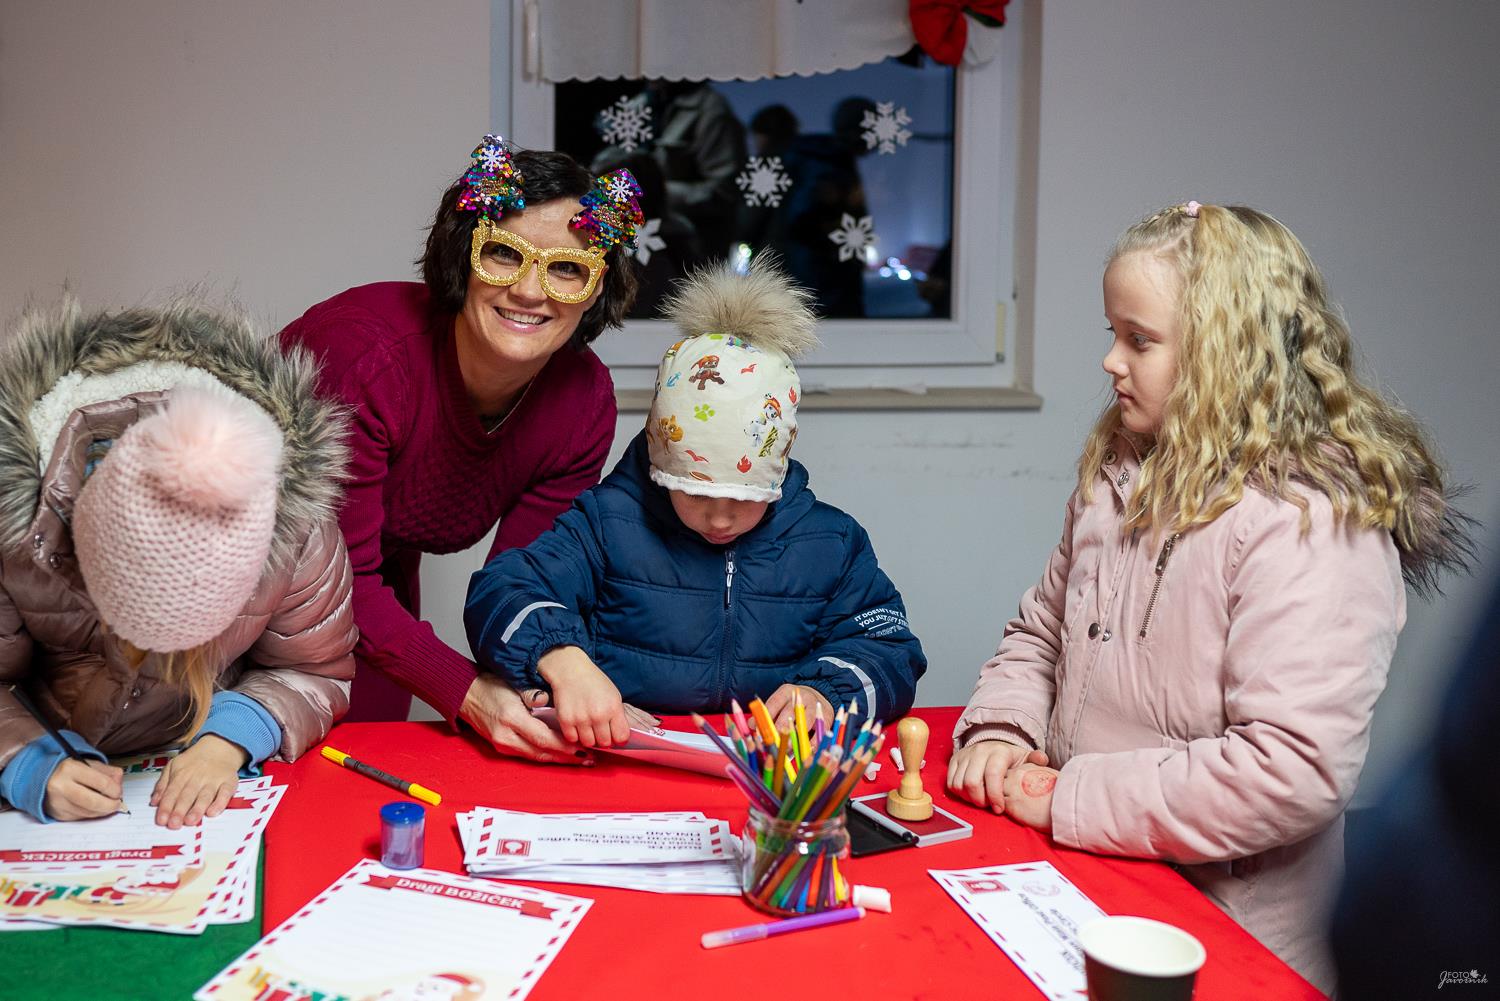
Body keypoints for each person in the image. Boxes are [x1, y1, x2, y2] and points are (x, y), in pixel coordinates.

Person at [944, 201, 1472, 993]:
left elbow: (1290, 768)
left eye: (1139, 339)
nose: (1110, 361)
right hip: (1093, 881)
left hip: (1224, 933)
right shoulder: (1118, 478)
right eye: (1113, 333)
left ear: (1226, 353)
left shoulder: (1311, 525)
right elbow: (1041, 631)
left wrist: (1068, 797)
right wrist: (1002, 727)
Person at [279, 136, 641, 764]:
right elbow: (334, 572)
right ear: (462, 258)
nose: (530, 291)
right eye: (504, 254)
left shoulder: (581, 402)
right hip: (243, 579)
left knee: (371, 764)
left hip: (374, 585)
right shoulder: (364, 358)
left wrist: (547, 678)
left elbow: (521, 580)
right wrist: (468, 693)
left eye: (566, 268)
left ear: (595, 288)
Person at [465, 260, 926, 748]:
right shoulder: (606, 524)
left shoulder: (831, 543)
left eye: (744, 498)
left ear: (776, 473)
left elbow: (889, 650)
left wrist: (825, 693)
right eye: (695, 493)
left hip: (768, 768)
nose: (720, 518)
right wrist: (564, 662)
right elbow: (499, 592)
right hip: (627, 754)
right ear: (661, 467)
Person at [0, 301, 357, 828]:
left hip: (204, 753)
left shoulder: (294, 528)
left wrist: (233, 737)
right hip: (49, 748)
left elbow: (314, 669)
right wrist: (26, 762)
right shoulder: (16, 532)